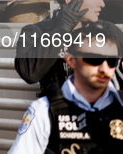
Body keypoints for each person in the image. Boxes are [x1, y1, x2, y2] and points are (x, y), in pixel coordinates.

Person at [9, 25, 123, 153]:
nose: (104, 69)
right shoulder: (44, 110)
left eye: (112, 61)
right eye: (94, 59)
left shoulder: (121, 106)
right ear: (70, 60)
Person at [15, 0, 123, 92]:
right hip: (59, 108)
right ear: (70, 1)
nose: (102, 4)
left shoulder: (108, 30)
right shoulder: (35, 31)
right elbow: (29, 74)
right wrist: (62, 29)